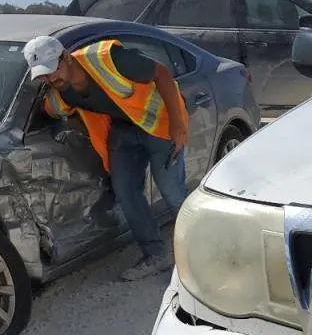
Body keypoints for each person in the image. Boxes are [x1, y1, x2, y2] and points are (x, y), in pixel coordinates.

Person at [24, 35, 190, 281]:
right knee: (125, 191)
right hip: (123, 130)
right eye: (43, 75)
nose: (51, 78)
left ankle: (204, 255)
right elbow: (51, 110)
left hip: (160, 124)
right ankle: (156, 254)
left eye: (52, 70)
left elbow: (162, 74)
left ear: (66, 56)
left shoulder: (108, 59)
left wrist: (177, 124)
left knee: (172, 191)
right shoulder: (58, 91)